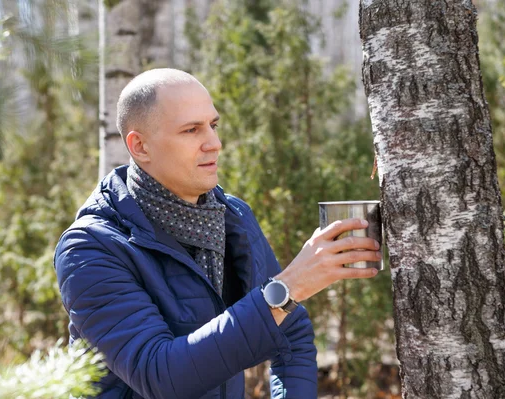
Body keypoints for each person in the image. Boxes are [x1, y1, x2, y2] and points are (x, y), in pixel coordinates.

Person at [54, 68, 381, 399]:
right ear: (140, 146)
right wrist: (286, 289)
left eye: (213, 125)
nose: (214, 143)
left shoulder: (232, 216)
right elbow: (160, 376)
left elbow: (292, 335)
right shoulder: (90, 248)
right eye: (191, 130)